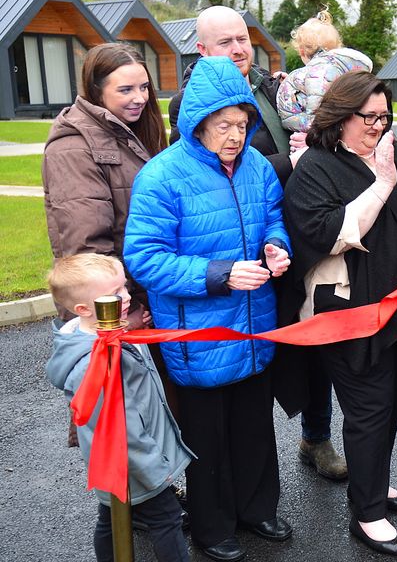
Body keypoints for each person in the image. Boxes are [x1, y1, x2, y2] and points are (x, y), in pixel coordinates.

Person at [280, 70, 397, 557]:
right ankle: (367, 513)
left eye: (385, 116)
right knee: (368, 407)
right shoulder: (315, 166)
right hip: (351, 312)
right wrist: (382, 184)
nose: (379, 127)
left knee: (389, 403)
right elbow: (329, 234)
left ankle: (372, 483)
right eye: (369, 117)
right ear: (340, 117)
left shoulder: (393, 153)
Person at [124, 56, 292, 562]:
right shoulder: (162, 176)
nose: (235, 136)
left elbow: (274, 218)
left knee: (254, 425)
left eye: (242, 124)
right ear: (198, 121)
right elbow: (145, 259)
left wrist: (276, 247)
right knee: (206, 438)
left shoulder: (259, 167)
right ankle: (212, 526)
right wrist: (218, 275)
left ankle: (257, 509)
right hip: (197, 335)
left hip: (255, 325)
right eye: (224, 125)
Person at [42, 41, 169, 447]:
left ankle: (159, 502)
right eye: (125, 90)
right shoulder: (73, 146)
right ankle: (129, 512)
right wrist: (116, 314)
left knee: (146, 417)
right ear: (96, 90)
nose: (139, 99)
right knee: (118, 429)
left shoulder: (135, 131)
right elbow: (84, 246)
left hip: (142, 294)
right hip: (114, 308)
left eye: (144, 88)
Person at [45, 254, 193, 562]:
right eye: (116, 294)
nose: (127, 297)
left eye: (124, 288)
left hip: (127, 459)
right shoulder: (94, 360)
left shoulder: (110, 331)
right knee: (166, 519)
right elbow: (120, 429)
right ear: (84, 309)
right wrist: (156, 471)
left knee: (111, 516)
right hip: (134, 461)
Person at [275, 11, 372, 482]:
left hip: (327, 236)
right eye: (307, 55)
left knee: (330, 350)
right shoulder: (278, 89)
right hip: (289, 239)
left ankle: (320, 439)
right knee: (306, 348)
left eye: (316, 54)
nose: (311, 66)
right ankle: (311, 439)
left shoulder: (300, 88)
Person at [168, 6, 295, 183]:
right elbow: (207, 175)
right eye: (225, 42)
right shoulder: (187, 104)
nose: (238, 49)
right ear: (202, 49)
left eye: (242, 39)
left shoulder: (273, 85)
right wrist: (291, 162)